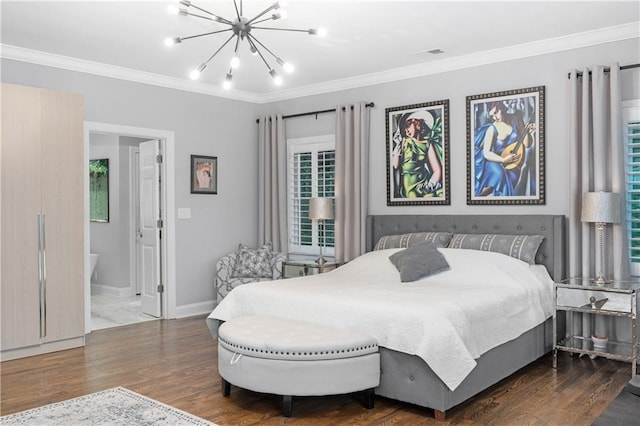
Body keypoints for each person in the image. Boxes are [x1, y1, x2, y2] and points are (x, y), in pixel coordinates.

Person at [473, 100, 536, 197]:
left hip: (513, 164)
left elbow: (527, 145)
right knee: (499, 173)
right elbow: (486, 153)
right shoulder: (492, 128)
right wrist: (503, 159)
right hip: (496, 163)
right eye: (492, 116)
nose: (495, 117)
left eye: (496, 113)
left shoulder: (516, 119)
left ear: (502, 107)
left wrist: (526, 131)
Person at [391, 110, 444, 199]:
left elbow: (438, 170)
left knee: (436, 195)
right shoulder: (404, 141)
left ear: (417, 123)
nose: (406, 130)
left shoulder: (427, 144)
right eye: (404, 128)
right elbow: (395, 165)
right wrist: (397, 149)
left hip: (424, 184)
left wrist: (429, 185)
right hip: (409, 187)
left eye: (408, 126)